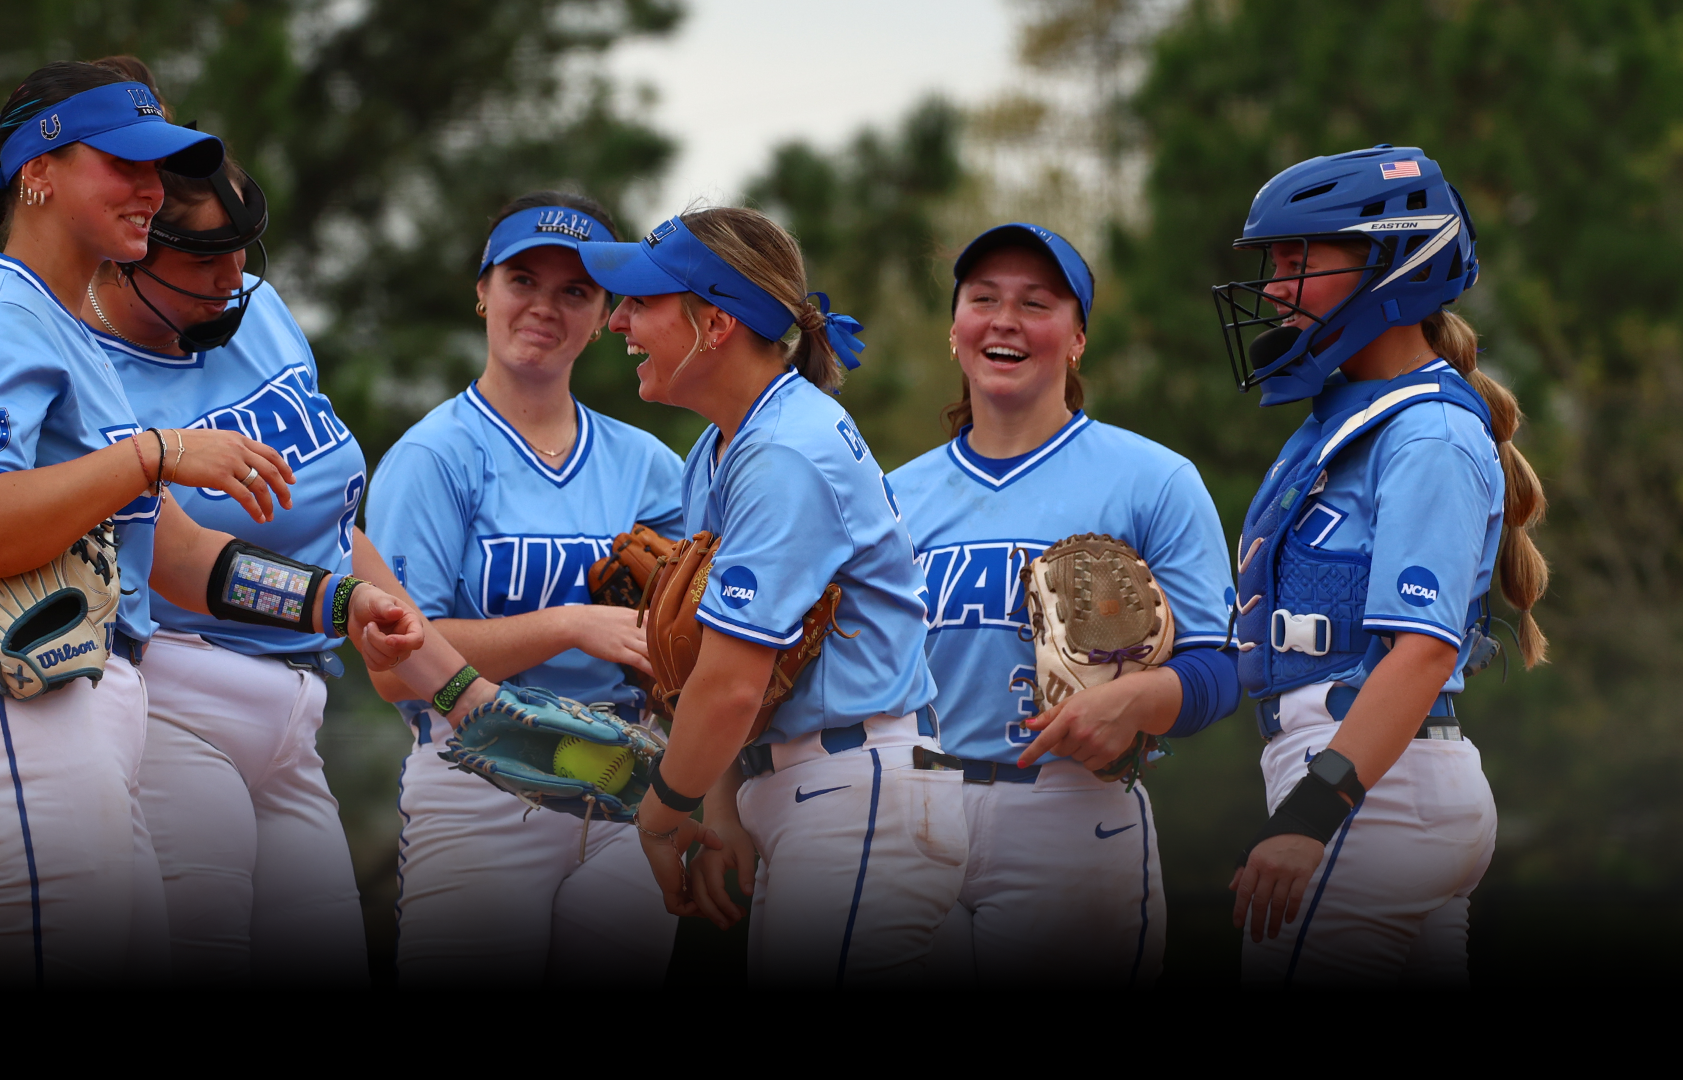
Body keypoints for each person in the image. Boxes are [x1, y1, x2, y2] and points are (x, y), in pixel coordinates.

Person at [0, 62, 420, 986]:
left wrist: (339, 602)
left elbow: (181, 558)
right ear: (39, 173)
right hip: (23, 710)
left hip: (84, 716)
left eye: (156, 168)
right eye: (124, 164)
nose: (151, 189)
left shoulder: (59, 329)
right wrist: (154, 454)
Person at [580, 208, 964, 987]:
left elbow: (729, 687)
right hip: (818, 785)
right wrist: (725, 804)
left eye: (642, 301)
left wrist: (661, 817)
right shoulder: (727, 443)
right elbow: (724, 683)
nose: (617, 320)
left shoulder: (784, 451)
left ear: (716, 323)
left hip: (857, 786)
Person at [1213, 145, 1548, 985]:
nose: (1275, 289)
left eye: (1299, 261)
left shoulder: (1428, 431)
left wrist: (1312, 814)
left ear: (1394, 262)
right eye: (1274, 264)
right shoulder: (1353, 418)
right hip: (1389, 789)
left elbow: (1424, 650)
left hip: (1368, 789)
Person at [888, 223, 1241, 986]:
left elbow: (1221, 670)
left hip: (1067, 814)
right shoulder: (890, 498)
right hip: (909, 814)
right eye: (984, 299)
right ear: (954, 329)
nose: (1005, 321)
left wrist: (1138, 701)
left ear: (1078, 339)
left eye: (1036, 303)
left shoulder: (1152, 480)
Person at [363, 193, 687, 986]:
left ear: (605, 314)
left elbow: (695, 642)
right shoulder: (433, 457)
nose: (545, 305)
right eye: (522, 280)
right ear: (483, 291)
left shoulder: (648, 466)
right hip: (481, 769)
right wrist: (568, 624)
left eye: (575, 290)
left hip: (624, 776)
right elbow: (395, 667)